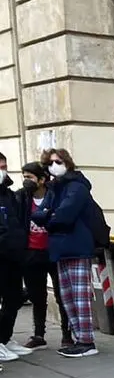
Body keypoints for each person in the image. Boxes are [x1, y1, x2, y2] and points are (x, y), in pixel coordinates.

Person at [30, 148, 100, 358]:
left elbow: (64, 215)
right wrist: (50, 215)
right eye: (50, 163)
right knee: (67, 297)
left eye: (58, 161)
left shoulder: (76, 187)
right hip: (60, 248)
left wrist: (49, 216)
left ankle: (87, 340)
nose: (54, 166)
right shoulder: (55, 188)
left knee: (79, 297)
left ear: (67, 162)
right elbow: (39, 215)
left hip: (77, 246)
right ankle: (79, 338)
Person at [17, 163, 65, 350]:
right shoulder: (22, 198)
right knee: (37, 296)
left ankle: (67, 334)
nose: (26, 180)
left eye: (29, 177)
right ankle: (39, 334)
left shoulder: (54, 196)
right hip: (31, 253)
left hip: (53, 251)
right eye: (24, 176)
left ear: (42, 179)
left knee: (61, 295)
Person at [0, 151, 33, 365]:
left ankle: (4, 337)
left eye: (4, 166)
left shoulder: (8, 194)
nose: (2, 170)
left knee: (14, 297)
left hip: (13, 254)